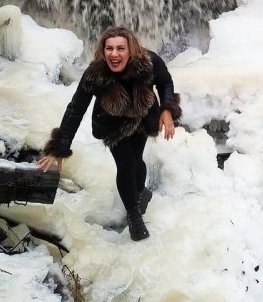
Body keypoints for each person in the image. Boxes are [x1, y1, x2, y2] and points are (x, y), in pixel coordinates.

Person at [36, 26, 181, 241]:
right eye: (109, 48)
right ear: (103, 51)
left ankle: (141, 193)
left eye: (120, 48)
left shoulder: (149, 62)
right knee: (126, 164)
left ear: (131, 50)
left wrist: (167, 110)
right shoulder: (95, 75)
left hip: (141, 117)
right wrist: (60, 146)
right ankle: (133, 216)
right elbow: (76, 108)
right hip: (112, 124)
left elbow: (165, 82)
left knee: (137, 160)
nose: (114, 54)